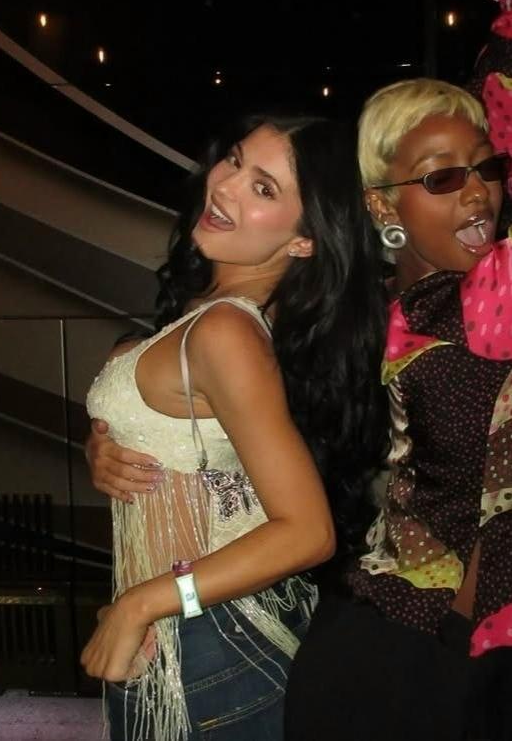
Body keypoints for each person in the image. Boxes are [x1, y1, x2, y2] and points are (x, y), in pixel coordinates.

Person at [81, 113, 388, 741]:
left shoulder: (226, 332)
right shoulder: (220, 316)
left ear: (305, 241)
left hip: (212, 641)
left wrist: (143, 603)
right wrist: (106, 441)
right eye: (236, 161)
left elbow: (308, 533)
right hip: (197, 636)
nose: (224, 185)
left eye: (263, 188)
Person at [285, 78, 512, 741]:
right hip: (393, 655)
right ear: (383, 202)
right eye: (442, 177)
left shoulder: (489, 299)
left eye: (487, 167)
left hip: (463, 654)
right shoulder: (365, 313)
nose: (478, 192)